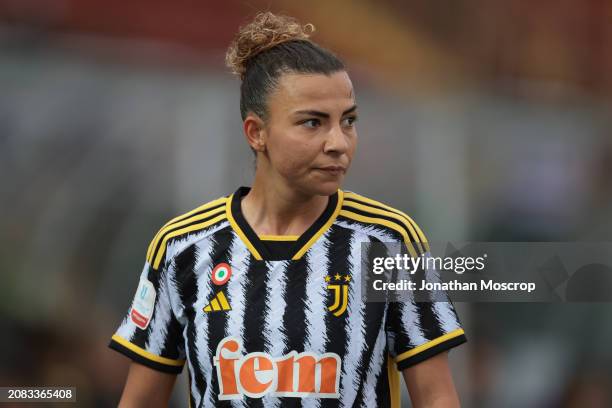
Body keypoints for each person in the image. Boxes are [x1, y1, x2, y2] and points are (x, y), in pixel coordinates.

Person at [108, 11, 467, 408]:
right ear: (256, 132)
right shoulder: (182, 247)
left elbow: (437, 397)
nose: (339, 143)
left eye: (348, 121)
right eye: (313, 123)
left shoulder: (391, 241)